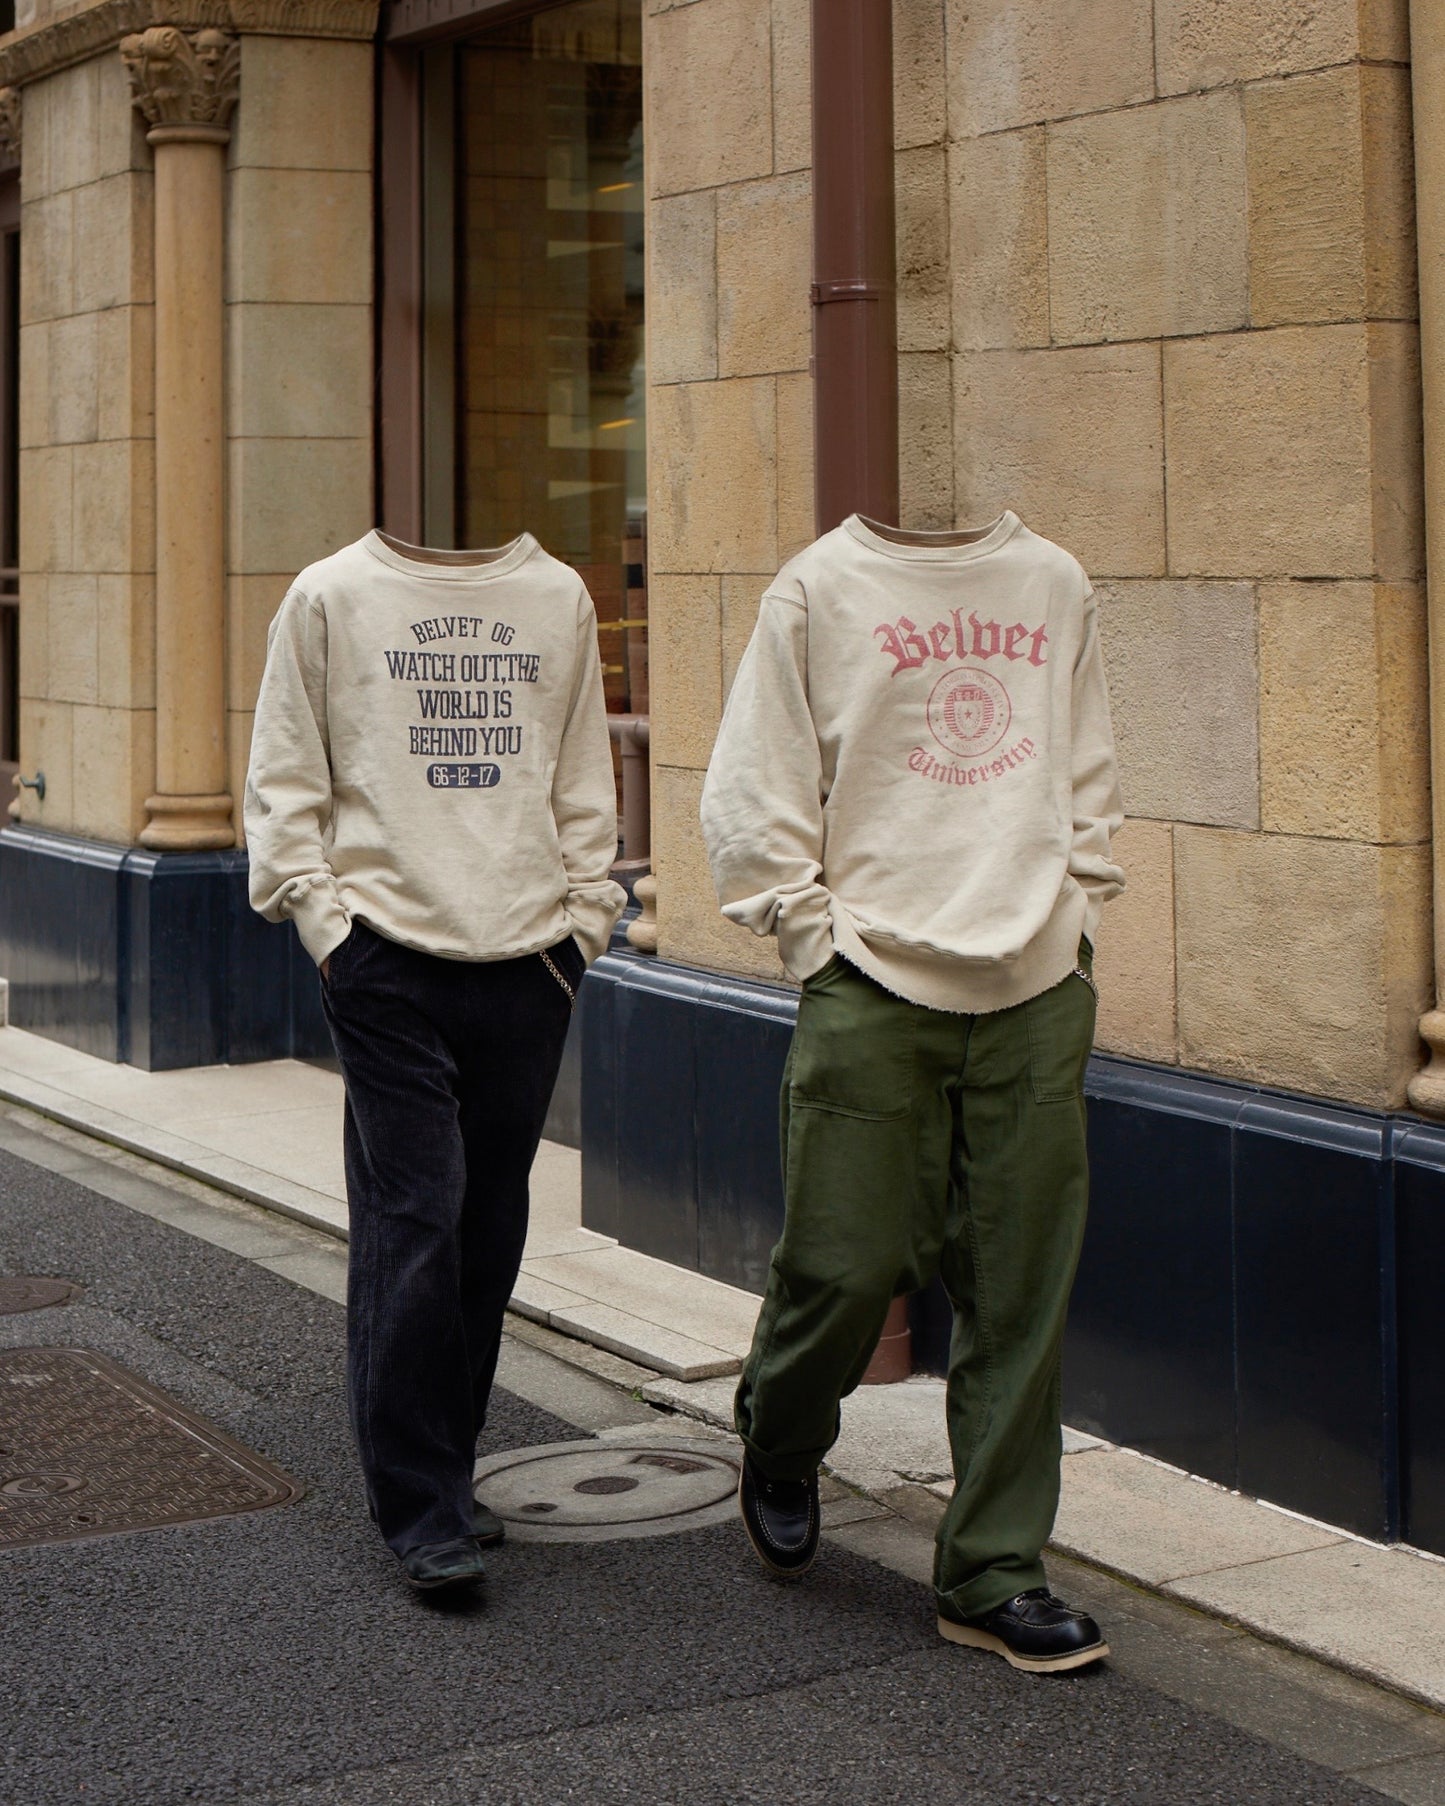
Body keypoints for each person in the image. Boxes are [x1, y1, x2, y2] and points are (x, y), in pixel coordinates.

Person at [700, 509, 1124, 1673]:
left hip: (1033, 979)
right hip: (870, 975)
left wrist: (1077, 908)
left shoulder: (1051, 577)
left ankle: (993, 1572)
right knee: (843, 1264)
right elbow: (752, 784)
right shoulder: (815, 587)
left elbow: (1084, 762)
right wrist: (807, 939)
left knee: (1019, 1290)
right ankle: (780, 1434)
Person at [245, 529, 624, 1594]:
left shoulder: (555, 595)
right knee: (419, 1212)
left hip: (527, 960)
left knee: (490, 1220)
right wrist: (329, 930)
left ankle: (448, 1470)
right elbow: (283, 774)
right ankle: (419, 1507)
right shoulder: (329, 592)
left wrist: (582, 925)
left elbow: (581, 773)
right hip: (386, 955)